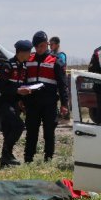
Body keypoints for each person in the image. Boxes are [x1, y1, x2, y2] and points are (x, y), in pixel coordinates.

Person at [24, 31, 69, 163]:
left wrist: (64, 104)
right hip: (32, 103)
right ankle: (28, 158)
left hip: (49, 103)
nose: (39, 49)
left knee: (49, 132)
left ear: (47, 44)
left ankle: (48, 159)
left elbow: (62, 85)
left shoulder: (56, 61)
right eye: (37, 46)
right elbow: (24, 81)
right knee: (31, 132)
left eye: (42, 46)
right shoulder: (29, 60)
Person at [0, 40, 32, 168]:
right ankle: (6, 155)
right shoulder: (7, 66)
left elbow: (20, 85)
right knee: (18, 126)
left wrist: (21, 99)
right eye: (28, 52)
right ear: (21, 52)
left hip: (14, 103)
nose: (30, 54)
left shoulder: (24, 67)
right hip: (2, 102)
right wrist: (17, 91)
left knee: (8, 131)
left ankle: (5, 160)